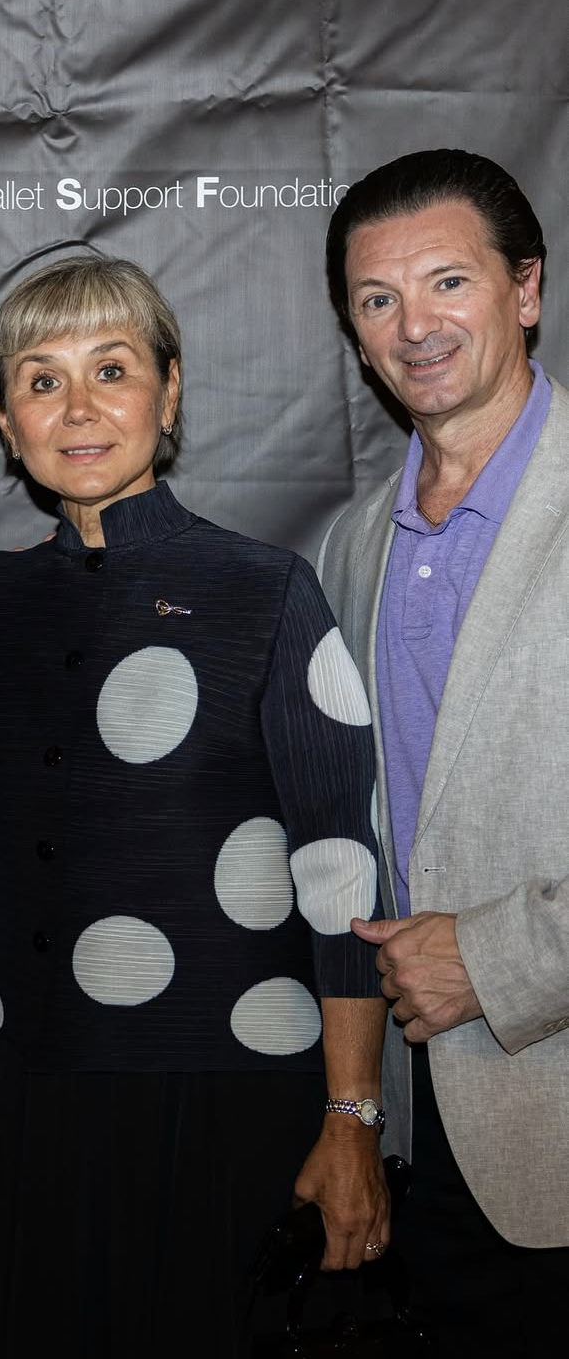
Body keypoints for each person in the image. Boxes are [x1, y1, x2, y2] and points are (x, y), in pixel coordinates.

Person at [0, 254, 390, 1357]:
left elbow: (340, 871)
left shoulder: (266, 591)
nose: (77, 407)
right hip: (25, 1092)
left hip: (215, 1100)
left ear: (167, 396)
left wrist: (354, 1116)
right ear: (1, 416)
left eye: (111, 369)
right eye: (40, 378)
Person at [319, 148, 569, 1357]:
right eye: (377, 299)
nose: (413, 327)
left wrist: (501, 958)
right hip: (425, 1145)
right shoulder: (348, 547)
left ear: (525, 289)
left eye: (448, 283)